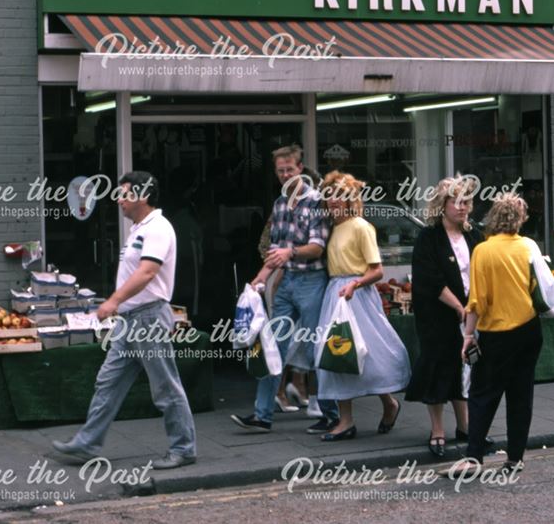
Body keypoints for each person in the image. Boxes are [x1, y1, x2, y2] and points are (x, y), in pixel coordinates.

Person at [52, 171, 196, 470]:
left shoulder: (157, 228)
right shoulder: (139, 228)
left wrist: (113, 301)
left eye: (124, 194)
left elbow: (147, 272)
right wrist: (120, 306)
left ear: (141, 196)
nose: (119, 200)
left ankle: (184, 448)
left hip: (149, 318)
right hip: (130, 321)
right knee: (109, 381)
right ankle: (87, 443)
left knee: (165, 387)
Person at [231, 144, 340, 434]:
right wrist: (260, 278)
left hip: (312, 282)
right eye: (280, 171)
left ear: (300, 169)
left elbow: (317, 247)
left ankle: (333, 414)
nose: (284, 175)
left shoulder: (317, 201)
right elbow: (275, 251)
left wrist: (288, 254)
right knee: (271, 346)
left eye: (289, 169)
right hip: (287, 282)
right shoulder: (280, 204)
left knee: (317, 346)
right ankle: (262, 415)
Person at [447, 192, 542, 478]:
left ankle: (473, 456)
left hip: (496, 333)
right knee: (520, 394)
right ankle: (515, 459)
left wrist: (468, 335)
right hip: (528, 330)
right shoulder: (528, 246)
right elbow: (538, 288)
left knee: (482, 395)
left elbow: (477, 300)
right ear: (520, 219)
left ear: (494, 217)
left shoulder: (484, 251)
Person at [315, 171, 411, 441]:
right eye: (330, 196)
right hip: (336, 295)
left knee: (368, 353)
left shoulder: (360, 226)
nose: (333, 201)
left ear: (350, 200)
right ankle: (345, 421)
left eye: (340, 196)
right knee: (338, 355)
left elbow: (377, 271)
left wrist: (354, 285)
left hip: (357, 296)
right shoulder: (334, 229)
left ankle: (389, 402)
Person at [406, 176, 485, 458]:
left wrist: (474, 307)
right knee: (438, 368)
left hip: (470, 314)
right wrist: (458, 307)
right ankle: (437, 430)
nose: (463, 207)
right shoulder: (429, 237)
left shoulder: (474, 235)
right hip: (438, 315)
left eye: (467, 201)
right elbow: (431, 280)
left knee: (465, 369)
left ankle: (465, 427)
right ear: (443, 205)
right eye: (457, 201)